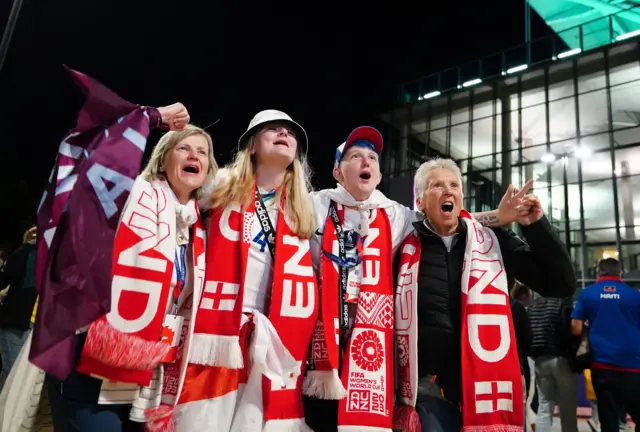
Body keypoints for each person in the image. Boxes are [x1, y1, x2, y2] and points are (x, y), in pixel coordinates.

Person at [302, 127, 534, 431]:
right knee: (319, 419)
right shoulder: (311, 205)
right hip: (322, 338)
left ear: (380, 175)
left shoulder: (395, 215)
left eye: (372, 157)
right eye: (355, 156)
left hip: (372, 343)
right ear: (337, 170)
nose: (366, 162)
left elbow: (444, 219)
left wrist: (498, 217)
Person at [47, 118, 217, 432]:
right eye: (184, 148)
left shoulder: (198, 227)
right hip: (92, 354)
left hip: (150, 368)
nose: (195, 156)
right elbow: (90, 154)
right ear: (163, 159)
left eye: (203, 152)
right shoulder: (130, 193)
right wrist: (151, 116)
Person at [395, 158, 576, 432]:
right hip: (427, 390)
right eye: (437, 186)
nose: (448, 191)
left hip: (487, 385)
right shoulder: (402, 246)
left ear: (461, 197)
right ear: (419, 202)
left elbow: (559, 285)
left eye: (454, 185)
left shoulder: (493, 239)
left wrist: (535, 226)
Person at [174, 110, 317, 431]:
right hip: (219, 329)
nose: (284, 134)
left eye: (291, 133)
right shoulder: (219, 187)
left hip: (273, 338)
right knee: (204, 419)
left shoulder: (304, 208)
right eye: (274, 129)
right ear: (251, 145)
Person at [571, 258, 640, 432]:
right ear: (620, 274)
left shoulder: (587, 294)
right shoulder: (635, 295)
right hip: (633, 366)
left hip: (602, 366)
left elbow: (575, 328)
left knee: (608, 418)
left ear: (598, 273)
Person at [529, 294, 578, 432]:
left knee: (544, 406)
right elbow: (571, 331)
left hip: (540, 359)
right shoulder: (563, 303)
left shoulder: (534, 306)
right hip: (561, 359)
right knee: (567, 407)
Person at [0, 226, 38, 390]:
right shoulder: (27, 254)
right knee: (12, 376)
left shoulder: (56, 257)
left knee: (24, 379)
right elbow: (8, 275)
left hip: (37, 327)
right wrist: (27, 246)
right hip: (18, 324)